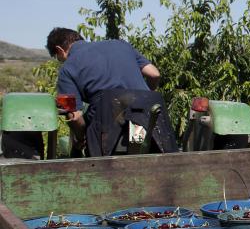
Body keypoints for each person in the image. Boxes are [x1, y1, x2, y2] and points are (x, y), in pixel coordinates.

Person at [46, 27, 176, 156]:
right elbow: (154, 74)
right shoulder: (121, 45)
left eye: (58, 58)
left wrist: (80, 139)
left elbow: (74, 116)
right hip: (149, 115)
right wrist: (144, 97)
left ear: (59, 50)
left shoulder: (67, 69)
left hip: (109, 119)